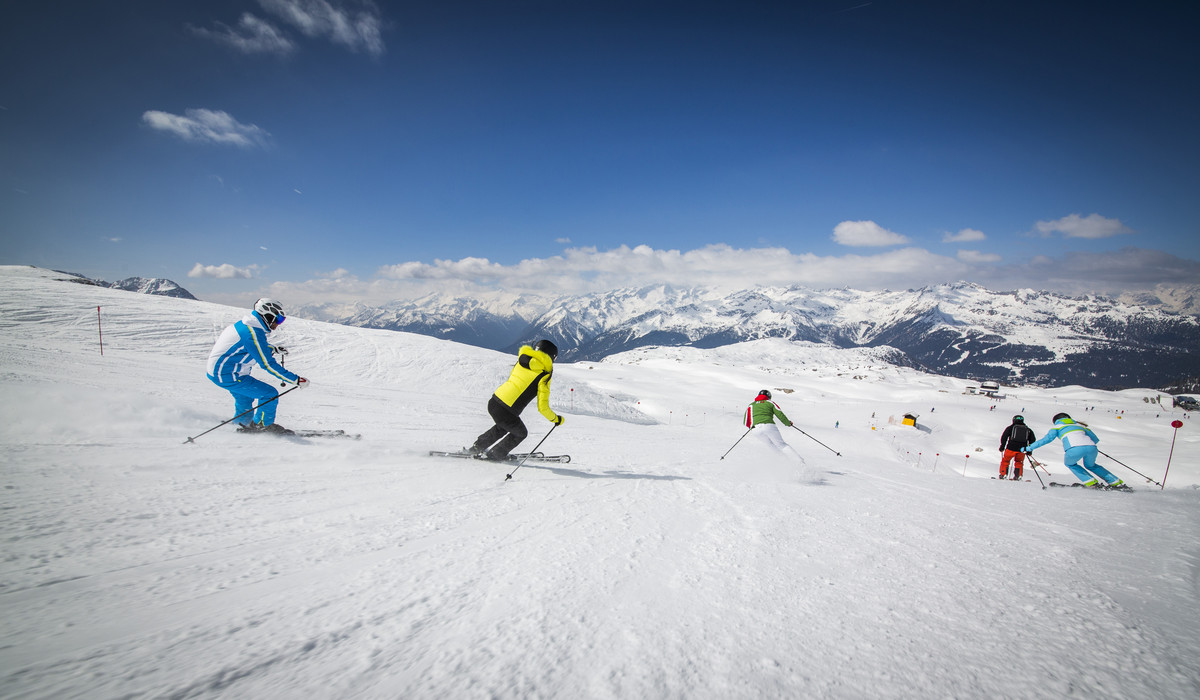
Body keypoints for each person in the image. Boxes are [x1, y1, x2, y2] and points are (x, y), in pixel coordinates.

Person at [207, 298, 308, 434]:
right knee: (269, 394)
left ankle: (241, 423)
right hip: (227, 374)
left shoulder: (247, 326)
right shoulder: (252, 333)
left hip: (219, 372)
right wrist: (296, 380)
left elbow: (252, 346)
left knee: (245, 398)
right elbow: (268, 364)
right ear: (268, 316)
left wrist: (272, 349)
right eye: (278, 320)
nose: (278, 324)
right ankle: (263, 426)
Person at [471, 339, 564, 460]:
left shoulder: (523, 360)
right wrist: (556, 419)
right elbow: (542, 407)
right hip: (507, 409)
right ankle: (496, 454)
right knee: (520, 433)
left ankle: (477, 447)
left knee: (503, 427)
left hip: (494, 402)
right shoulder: (544, 373)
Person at [1023, 413, 1129, 490]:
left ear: (1056, 421)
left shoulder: (1057, 427)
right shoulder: (1080, 426)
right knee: (1091, 465)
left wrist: (1028, 448)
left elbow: (1046, 440)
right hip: (1092, 448)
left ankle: (1091, 482)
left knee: (1070, 464)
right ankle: (1115, 482)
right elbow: (1095, 439)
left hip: (1074, 449)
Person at [744, 390, 804, 462]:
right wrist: (787, 423)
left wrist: (752, 427)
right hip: (768, 426)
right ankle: (800, 462)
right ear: (768, 396)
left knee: (770, 445)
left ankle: (784, 461)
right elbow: (780, 414)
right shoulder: (770, 403)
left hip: (755, 430)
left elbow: (746, 420)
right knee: (781, 445)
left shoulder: (751, 405)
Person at [998, 415, 1036, 480]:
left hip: (1010, 448)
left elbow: (1004, 437)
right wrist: (1029, 450)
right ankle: (1018, 476)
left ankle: (1003, 474)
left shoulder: (1010, 428)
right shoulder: (1028, 429)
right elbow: (1032, 440)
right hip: (1022, 450)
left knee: (1005, 461)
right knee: (1019, 462)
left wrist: (1002, 446)